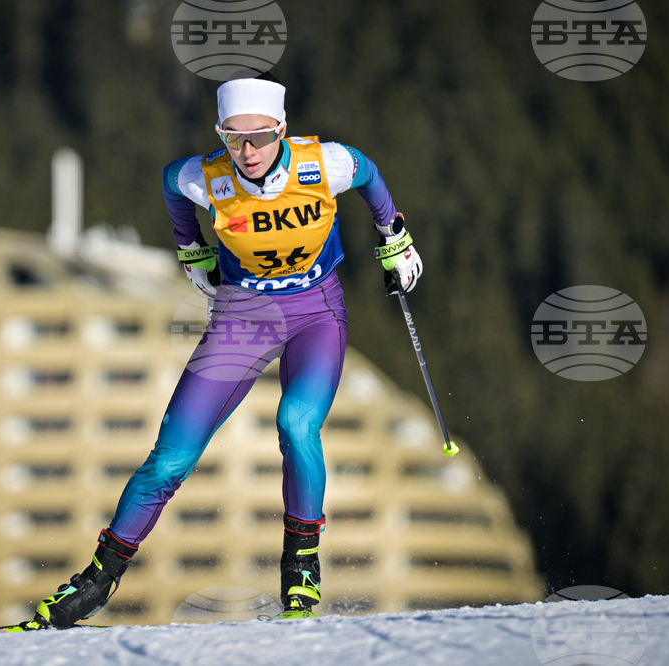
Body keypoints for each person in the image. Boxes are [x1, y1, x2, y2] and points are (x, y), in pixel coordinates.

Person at [29, 72, 423, 628]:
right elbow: (170, 184)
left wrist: (394, 237)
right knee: (169, 458)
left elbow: (369, 174)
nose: (247, 151)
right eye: (233, 138)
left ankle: (301, 570)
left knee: (296, 425)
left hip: (316, 312)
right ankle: (98, 578)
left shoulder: (325, 164)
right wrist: (191, 250)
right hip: (243, 317)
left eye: (259, 137)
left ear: (282, 130)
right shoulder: (202, 177)